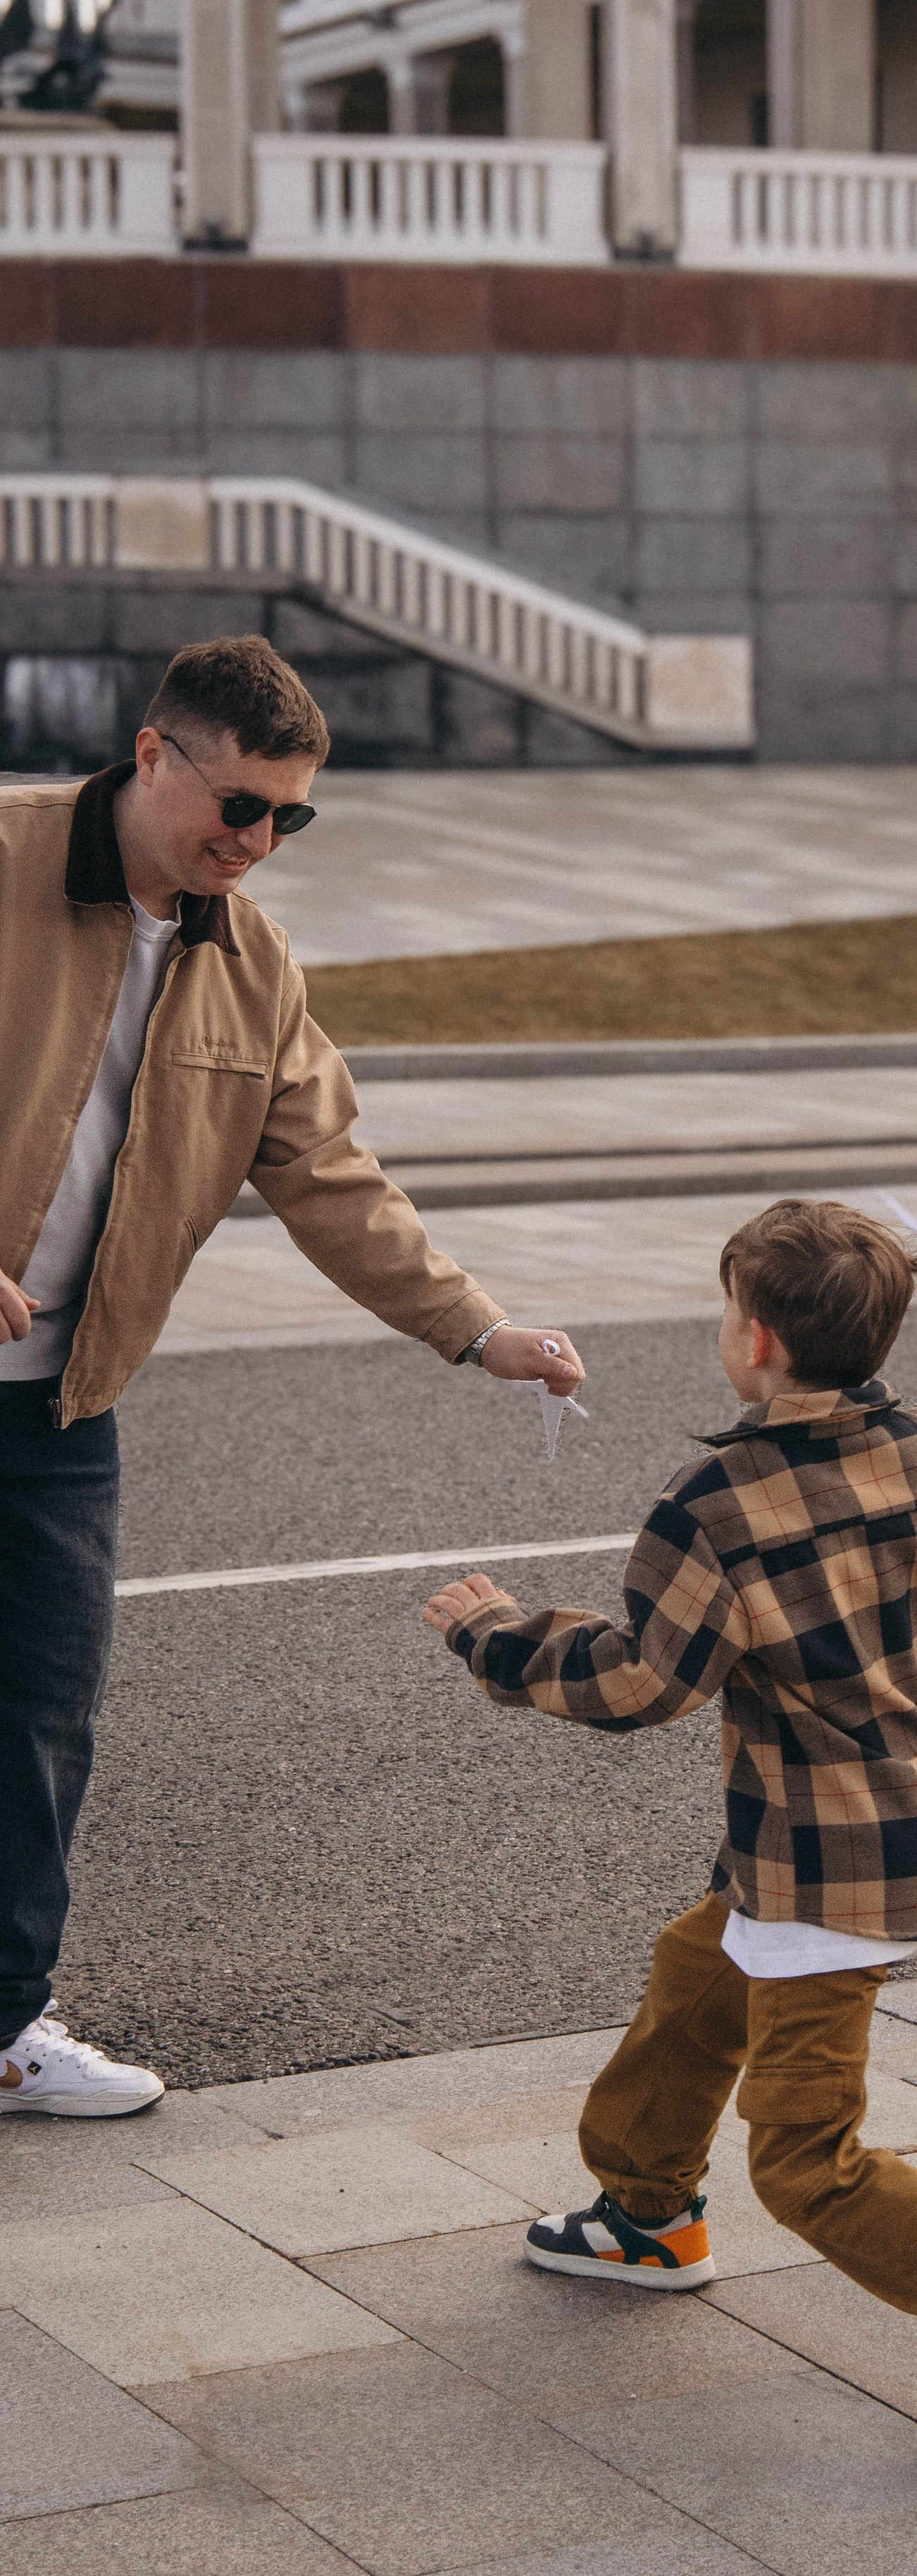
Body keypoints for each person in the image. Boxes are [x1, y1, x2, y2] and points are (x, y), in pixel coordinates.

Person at [422, 1196, 917, 2467]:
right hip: (873, 1817)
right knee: (697, 1976)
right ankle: (647, 2212)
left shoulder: (712, 1503)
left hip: (828, 1868)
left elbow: (648, 1681)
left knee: (806, 2157)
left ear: (755, 1342)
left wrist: (496, 1634)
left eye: (725, 1310)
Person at [0, 636, 587, 2122]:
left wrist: (479, 1327)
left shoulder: (250, 965)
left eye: (286, 820)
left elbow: (330, 1175)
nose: (254, 844)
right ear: (153, 755)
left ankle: (4, 2023)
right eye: (240, 804)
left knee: (40, 1721)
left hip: (59, 1401)